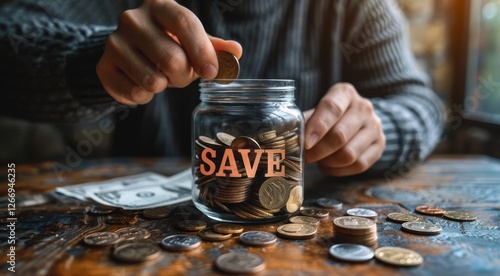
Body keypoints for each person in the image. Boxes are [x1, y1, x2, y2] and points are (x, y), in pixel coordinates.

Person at [0, 0, 444, 177]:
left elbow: (421, 102)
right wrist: (87, 62)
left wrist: (380, 128)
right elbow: (11, 29)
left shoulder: (356, 6)